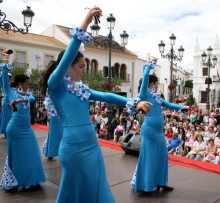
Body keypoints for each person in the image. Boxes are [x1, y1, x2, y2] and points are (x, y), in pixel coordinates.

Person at [41, 7, 151, 203]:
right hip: (73, 149)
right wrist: (86, 20)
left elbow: (108, 95)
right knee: (75, 194)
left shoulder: (82, 89)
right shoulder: (56, 85)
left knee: (97, 191)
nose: (84, 70)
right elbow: (68, 54)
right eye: (81, 66)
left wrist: (135, 101)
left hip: (92, 146)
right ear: (68, 67)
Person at [130, 57, 188, 193]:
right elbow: (145, 75)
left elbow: (168, 104)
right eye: (156, 83)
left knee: (162, 155)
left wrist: (181, 107)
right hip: (149, 130)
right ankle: (146, 185)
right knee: (149, 157)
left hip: (158, 132)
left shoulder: (156, 96)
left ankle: (161, 182)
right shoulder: (144, 93)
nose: (157, 85)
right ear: (152, 83)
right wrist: (150, 65)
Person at [0, 52, 46, 190]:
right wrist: (6, 60)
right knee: (18, 157)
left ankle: (32, 180)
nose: (28, 86)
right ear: (20, 84)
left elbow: (31, 99)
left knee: (32, 153)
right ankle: (16, 182)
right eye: (26, 84)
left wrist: (21, 99)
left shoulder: (27, 95)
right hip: (14, 129)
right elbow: (4, 80)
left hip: (26, 129)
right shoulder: (9, 92)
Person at [39, 67, 64, 161]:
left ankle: (50, 152)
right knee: (56, 134)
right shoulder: (53, 85)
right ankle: (51, 152)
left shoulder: (53, 84)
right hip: (56, 114)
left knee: (54, 134)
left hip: (57, 114)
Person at [0, 72, 14, 138]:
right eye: (11, 78)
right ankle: (6, 132)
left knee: (10, 117)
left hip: (10, 102)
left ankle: (9, 132)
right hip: (7, 103)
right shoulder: (5, 85)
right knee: (6, 118)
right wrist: (3, 73)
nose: (12, 79)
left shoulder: (11, 85)